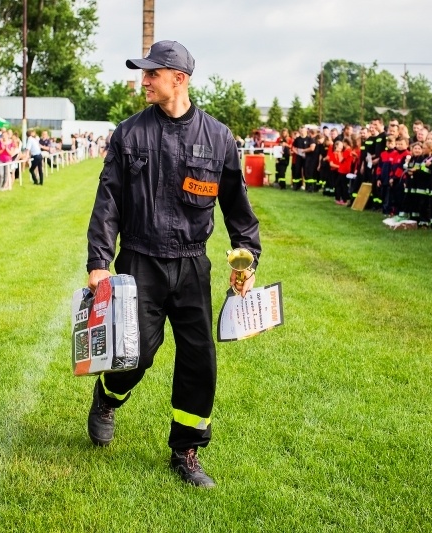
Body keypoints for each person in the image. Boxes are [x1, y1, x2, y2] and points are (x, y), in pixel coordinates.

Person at [85, 40, 261, 489]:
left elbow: (238, 209)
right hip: (139, 262)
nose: (143, 80)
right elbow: (108, 201)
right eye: (143, 74)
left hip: (191, 266)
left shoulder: (218, 138)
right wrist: (99, 262)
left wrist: (247, 255)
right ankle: (107, 397)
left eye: (151, 74)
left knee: (199, 360)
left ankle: (186, 450)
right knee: (135, 353)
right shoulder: (129, 134)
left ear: (178, 79)